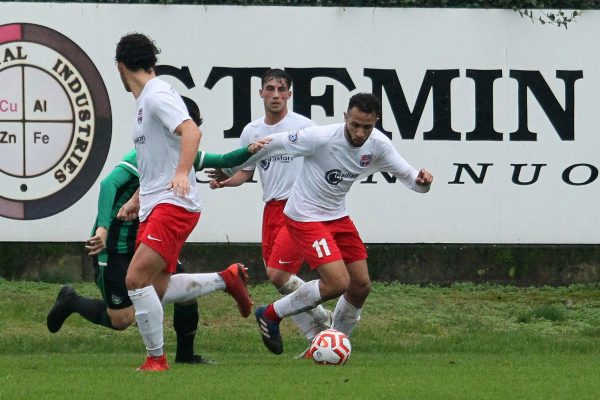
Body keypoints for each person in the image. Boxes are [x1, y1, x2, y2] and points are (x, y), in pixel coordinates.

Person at [46, 97, 268, 365]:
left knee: (177, 280)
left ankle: (185, 354)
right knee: (122, 319)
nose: (188, 137)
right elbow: (108, 185)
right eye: (185, 129)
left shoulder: (181, 157)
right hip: (114, 244)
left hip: (148, 235)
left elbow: (221, 158)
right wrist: (103, 228)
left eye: (192, 129)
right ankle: (71, 301)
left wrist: (250, 150)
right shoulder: (142, 156)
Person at [215, 93, 433, 355]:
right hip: (304, 216)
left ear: (376, 122)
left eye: (367, 126)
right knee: (337, 282)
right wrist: (227, 165)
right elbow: (273, 144)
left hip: (337, 216)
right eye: (354, 124)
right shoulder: (320, 137)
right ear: (345, 117)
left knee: (361, 285)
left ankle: (330, 345)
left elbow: (410, 177)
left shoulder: (379, 145)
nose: (360, 132)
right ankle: (271, 314)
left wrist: (423, 182)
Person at [113, 32, 254, 371]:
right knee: (155, 288)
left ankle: (156, 359)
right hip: (156, 201)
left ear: (119, 66)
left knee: (135, 279)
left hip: (173, 204)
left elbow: (191, 132)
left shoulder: (158, 94)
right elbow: (154, 161)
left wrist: (181, 173)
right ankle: (227, 278)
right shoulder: (145, 100)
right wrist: (137, 198)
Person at [207, 69, 332, 349]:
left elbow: (323, 161)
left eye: (281, 89)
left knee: (279, 274)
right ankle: (317, 335)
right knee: (279, 281)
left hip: (299, 207)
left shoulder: (303, 126)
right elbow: (247, 173)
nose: (275, 95)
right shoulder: (252, 131)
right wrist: (227, 182)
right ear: (261, 93)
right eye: (270, 89)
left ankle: (323, 323)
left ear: (289, 94)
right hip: (271, 208)